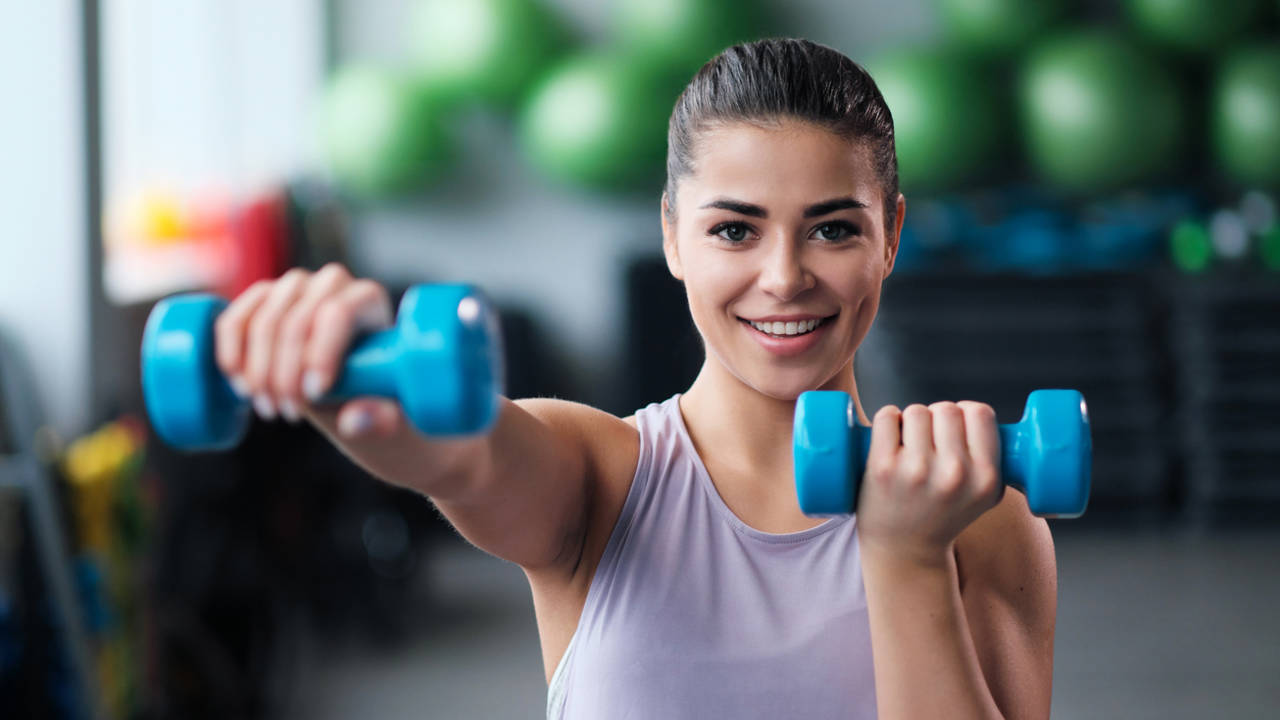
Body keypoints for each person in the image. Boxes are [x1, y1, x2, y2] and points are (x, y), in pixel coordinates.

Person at [213, 37, 1055, 720]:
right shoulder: (600, 476)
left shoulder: (983, 516)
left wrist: (908, 558)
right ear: (673, 236)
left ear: (892, 237)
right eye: (735, 231)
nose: (785, 276)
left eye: (832, 228)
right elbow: (463, 453)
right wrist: (358, 385)